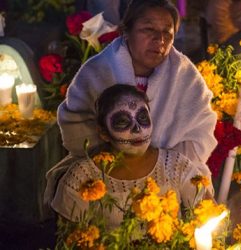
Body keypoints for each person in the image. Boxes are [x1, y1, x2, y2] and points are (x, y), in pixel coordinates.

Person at [45, 0, 217, 207]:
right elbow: (76, 129)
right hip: (107, 178)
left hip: (171, 180)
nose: (159, 39)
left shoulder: (186, 76)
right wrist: (125, 166)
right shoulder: (97, 71)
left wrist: (160, 167)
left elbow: (201, 134)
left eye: (167, 33)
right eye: (148, 29)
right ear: (126, 31)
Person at [51, 84, 213, 228]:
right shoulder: (83, 177)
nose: (137, 129)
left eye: (142, 118)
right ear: (103, 132)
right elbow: (70, 240)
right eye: (122, 121)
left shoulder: (176, 165)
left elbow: (209, 217)